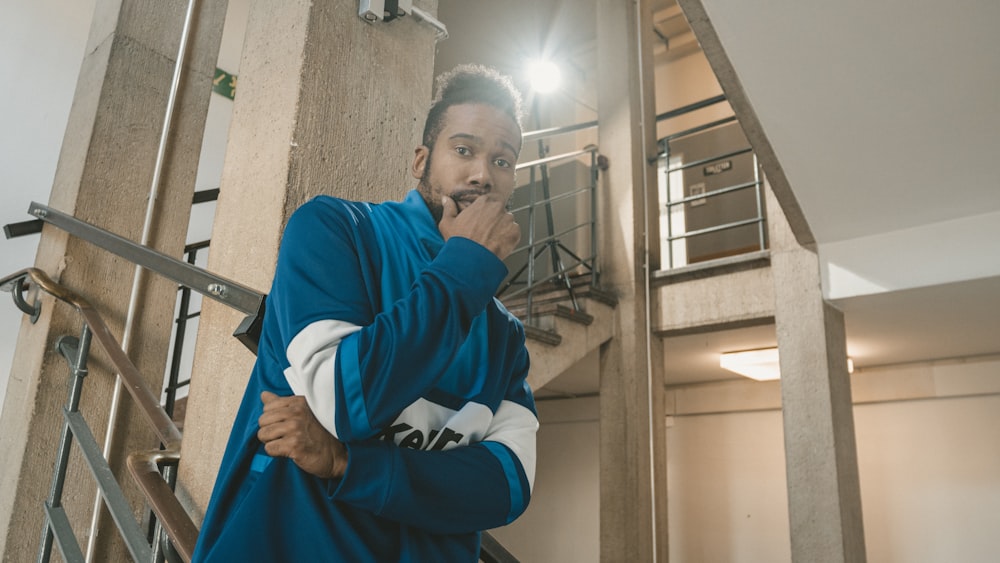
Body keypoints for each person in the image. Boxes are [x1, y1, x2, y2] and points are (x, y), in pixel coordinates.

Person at [192, 64, 538, 562]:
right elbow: (347, 400)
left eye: (502, 161)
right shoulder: (336, 230)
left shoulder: (505, 335)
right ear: (421, 160)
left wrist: (346, 462)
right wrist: (467, 267)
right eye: (463, 150)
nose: (483, 175)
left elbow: (508, 483)